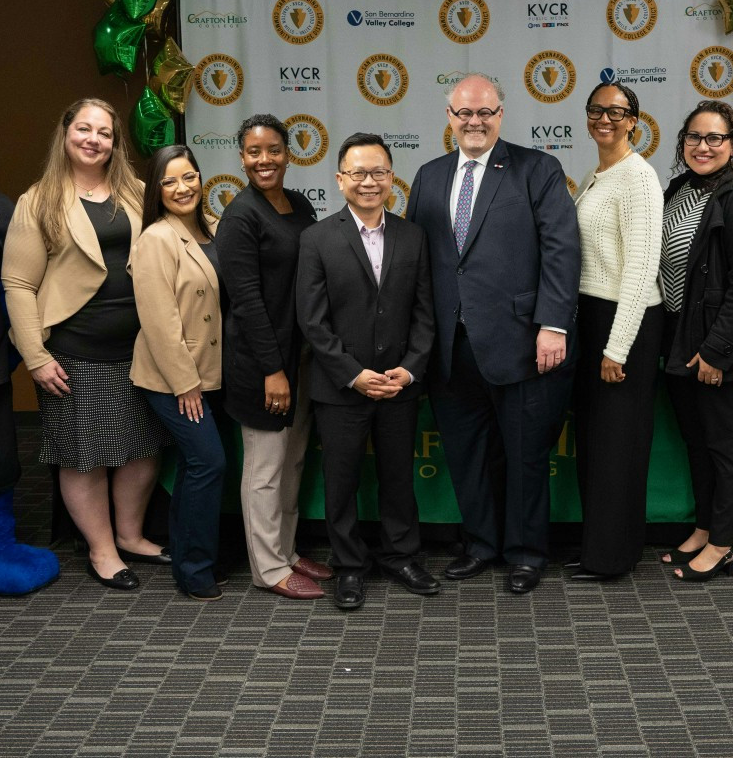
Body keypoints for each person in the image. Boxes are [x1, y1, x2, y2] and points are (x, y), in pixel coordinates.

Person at [406, 72, 581, 595]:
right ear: (450, 118)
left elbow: (561, 249)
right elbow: (417, 261)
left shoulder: (537, 169)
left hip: (523, 342)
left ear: (501, 115)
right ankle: (481, 545)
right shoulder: (429, 175)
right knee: (466, 452)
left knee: (525, 454)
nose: (475, 121)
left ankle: (526, 553)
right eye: (465, 113)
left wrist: (552, 324)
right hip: (449, 347)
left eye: (485, 112)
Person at [3, 99, 168, 593]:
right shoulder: (39, 200)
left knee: (141, 449)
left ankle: (131, 535)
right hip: (73, 353)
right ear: (65, 132)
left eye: (106, 133)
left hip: (140, 349)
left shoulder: (138, 192)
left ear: (116, 143)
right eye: (84, 129)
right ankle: (102, 550)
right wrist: (35, 357)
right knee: (82, 456)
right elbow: (16, 282)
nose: (94, 139)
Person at [296, 133, 439, 610]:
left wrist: (411, 369)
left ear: (392, 177)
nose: (369, 181)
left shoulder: (412, 235)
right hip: (341, 386)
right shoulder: (316, 239)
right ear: (339, 181)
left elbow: (425, 313)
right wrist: (353, 374)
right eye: (358, 173)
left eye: (378, 172)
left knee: (399, 476)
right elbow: (311, 321)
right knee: (343, 480)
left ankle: (401, 556)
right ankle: (350, 565)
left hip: (399, 384)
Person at [218, 114, 331, 601]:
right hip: (263, 363)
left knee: (293, 461)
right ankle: (268, 567)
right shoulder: (240, 215)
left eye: (273, 150)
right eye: (253, 152)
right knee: (265, 468)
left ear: (289, 153)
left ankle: (286, 550)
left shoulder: (299, 203)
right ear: (241, 158)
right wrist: (272, 370)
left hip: (301, 357)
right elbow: (246, 302)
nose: (264, 160)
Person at [658, 101, 733, 582]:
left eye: (715, 138)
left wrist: (718, 351)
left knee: (726, 447)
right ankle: (705, 528)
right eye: (695, 138)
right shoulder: (678, 189)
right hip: (680, 338)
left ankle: (725, 543)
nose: (703, 146)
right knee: (697, 443)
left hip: (718, 345)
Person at [567, 83, 664, 581]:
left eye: (616, 111)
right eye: (596, 110)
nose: (605, 118)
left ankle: (612, 559)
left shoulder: (639, 177)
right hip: (594, 317)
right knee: (597, 442)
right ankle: (598, 547)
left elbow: (642, 267)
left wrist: (617, 347)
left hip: (625, 324)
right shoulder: (595, 174)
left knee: (617, 446)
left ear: (634, 120)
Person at [129, 145, 226, 601]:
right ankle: (193, 569)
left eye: (189, 177)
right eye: (169, 182)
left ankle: (197, 559)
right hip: (175, 380)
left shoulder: (211, 228)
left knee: (196, 466)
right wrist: (185, 383)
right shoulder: (155, 239)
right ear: (157, 190)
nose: (182, 188)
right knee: (208, 462)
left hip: (211, 374)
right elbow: (159, 320)